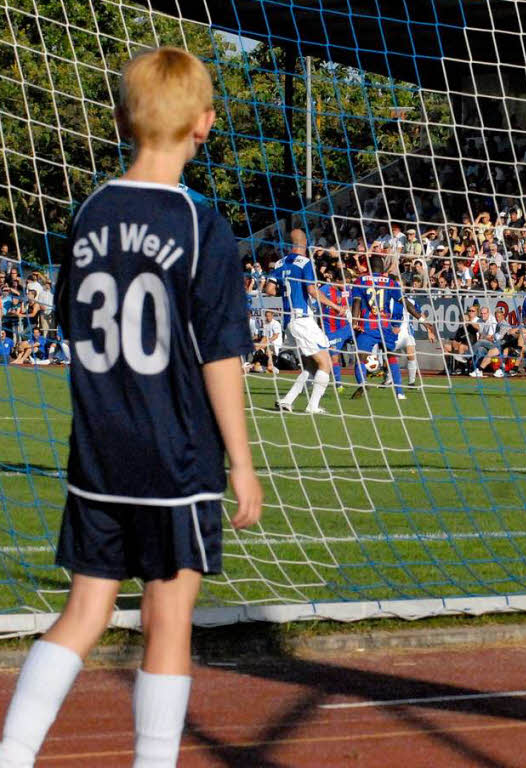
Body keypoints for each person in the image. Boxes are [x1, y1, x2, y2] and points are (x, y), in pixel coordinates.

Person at [0, 47, 262, 768]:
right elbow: (219, 355)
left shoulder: (89, 212)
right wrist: (240, 462)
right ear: (206, 123)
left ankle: (13, 754)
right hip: (175, 455)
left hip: (99, 451)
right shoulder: (200, 224)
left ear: (120, 119)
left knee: (84, 612)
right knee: (169, 618)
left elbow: (70, 320)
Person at [269, 229, 343, 414]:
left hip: (288, 322)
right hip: (302, 319)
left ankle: (287, 400)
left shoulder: (279, 263)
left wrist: (287, 291)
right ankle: (313, 406)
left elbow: (269, 289)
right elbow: (312, 291)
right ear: (305, 244)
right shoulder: (305, 263)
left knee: (310, 365)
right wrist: (336, 306)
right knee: (325, 363)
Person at [349, 253, 407, 400]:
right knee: (391, 356)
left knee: (360, 358)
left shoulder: (360, 280)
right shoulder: (390, 282)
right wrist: (423, 320)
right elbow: (402, 303)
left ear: (368, 266)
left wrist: (354, 323)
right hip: (386, 325)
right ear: (383, 267)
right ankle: (399, 392)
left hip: (368, 326)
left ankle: (362, 383)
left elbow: (356, 303)